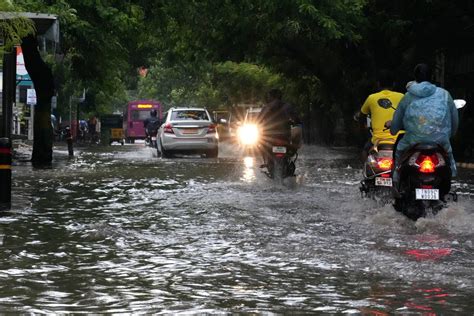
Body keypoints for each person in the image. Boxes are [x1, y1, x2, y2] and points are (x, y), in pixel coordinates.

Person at [385, 63, 459, 195]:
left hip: (412, 142)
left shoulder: (407, 97)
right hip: (441, 143)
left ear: (415, 78)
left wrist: (393, 130)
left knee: (398, 153)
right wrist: (449, 136)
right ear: (432, 77)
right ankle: (450, 181)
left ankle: (396, 182)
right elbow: (454, 122)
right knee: (449, 161)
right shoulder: (445, 95)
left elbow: (395, 126)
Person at [354, 70, 404, 162]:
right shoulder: (402, 97)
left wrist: (362, 129)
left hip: (377, 140)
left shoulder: (371, 98)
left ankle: (366, 174)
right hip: (399, 140)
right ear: (393, 84)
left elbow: (361, 117)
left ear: (378, 84)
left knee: (365, 151)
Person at [257, 88, 302, 166]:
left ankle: (266, 162)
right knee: (296, 137)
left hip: (270, 135)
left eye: (269, 96)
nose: (268, 98)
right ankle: (290, 155)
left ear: (271, 96)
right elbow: (296, 118)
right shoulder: (287, 106)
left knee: (260, 143)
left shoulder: (266, 107)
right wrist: (297, 122)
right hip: (285, 135)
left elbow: (259, 120)